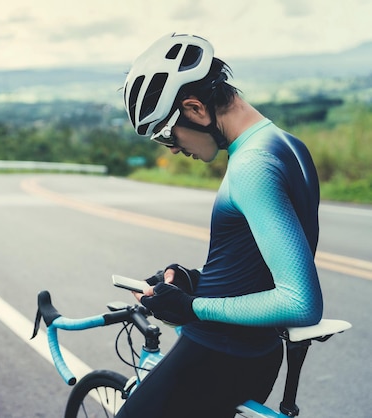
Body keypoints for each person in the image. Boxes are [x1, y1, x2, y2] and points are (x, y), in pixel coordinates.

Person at [117, 32, 323, 417]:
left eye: (166, 134)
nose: (174, 148)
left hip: (217, 357)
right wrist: (192, 281)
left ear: (195, 108)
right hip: (253, 354)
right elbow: (260, 265)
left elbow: (300, 302)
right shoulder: (285, 144)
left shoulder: (252, 166)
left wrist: (193, 307)